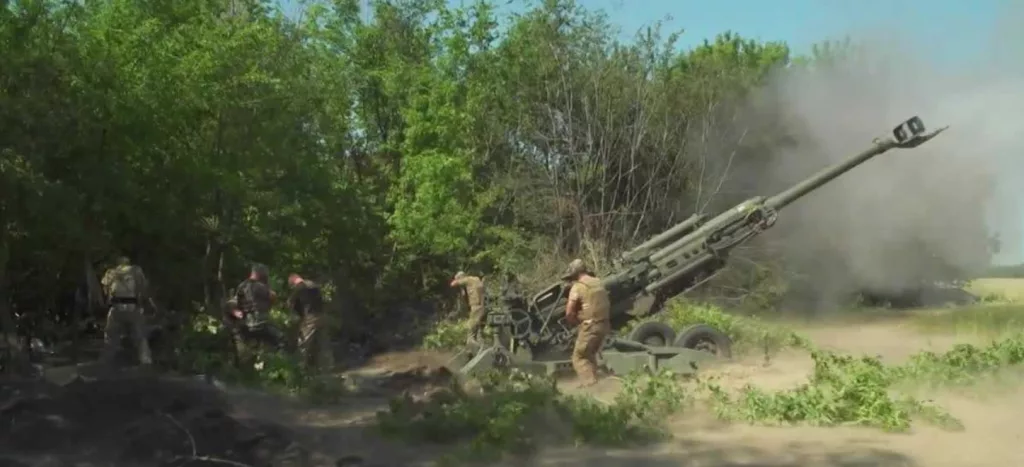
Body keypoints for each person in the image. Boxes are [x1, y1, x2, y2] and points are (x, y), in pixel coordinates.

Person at [562, 258, 610, 388]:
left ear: (574, 273)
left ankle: (592, 386)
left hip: (590, 326)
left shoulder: (578, 287)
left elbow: (569, 313)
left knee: (579, 357)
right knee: (590, 355)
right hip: (604, 325)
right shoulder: (598, 282)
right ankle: (597, 381)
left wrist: (576, 322)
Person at [98, 255, 153, 367]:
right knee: (140, 336)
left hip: (115, 308)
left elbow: (104, 290)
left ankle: (105, 362)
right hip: (132, 307)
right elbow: (143, 288)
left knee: (110, 337)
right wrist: (146, 302)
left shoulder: (111, 273)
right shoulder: (136, 271)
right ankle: (145, 361)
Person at [228, 263, 283, 366]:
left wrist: (236, 312)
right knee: (280, 340)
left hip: (246, 324)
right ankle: (275, 365)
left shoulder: (242, 285)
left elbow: (234, 303)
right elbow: (273, 297)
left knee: (250, 349)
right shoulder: (260, 286)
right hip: (261, 323)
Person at [286, 273, 333, 373]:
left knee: (303, 344)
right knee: (322, 343)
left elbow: (290, 304)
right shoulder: (314, 285)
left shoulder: (299, 288)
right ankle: (327, 369)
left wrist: (296, 315)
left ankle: (301, 371)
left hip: (310, 318)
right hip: (322, 316)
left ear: (292, 283)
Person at [450, 271, 486, 345]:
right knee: (478, 322)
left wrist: (457, 280)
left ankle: (470, 340)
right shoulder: (475, 279)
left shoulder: (467, 279)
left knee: (473, 322)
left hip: (476, 304)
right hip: (482, 304)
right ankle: (479, 339)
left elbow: (452, 284)